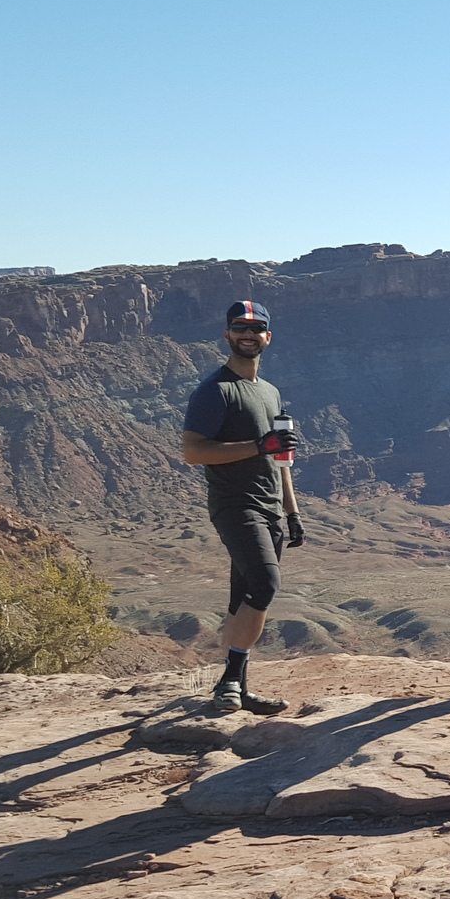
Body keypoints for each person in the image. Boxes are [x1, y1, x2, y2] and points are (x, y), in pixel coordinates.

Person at [180, 299, 305, 715]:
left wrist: (293, 513)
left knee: (242, 598)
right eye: (239, 327)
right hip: (235, 505)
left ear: (267, 337)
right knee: (266, 585)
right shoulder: (214, 391)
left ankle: (236, 688)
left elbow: (279, 459)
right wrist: (258, 445)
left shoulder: (269, 393)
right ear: (227, 335)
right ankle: (232, 678)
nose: (248, 334)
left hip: (270, 506)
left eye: (256, 328)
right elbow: (194, 452)